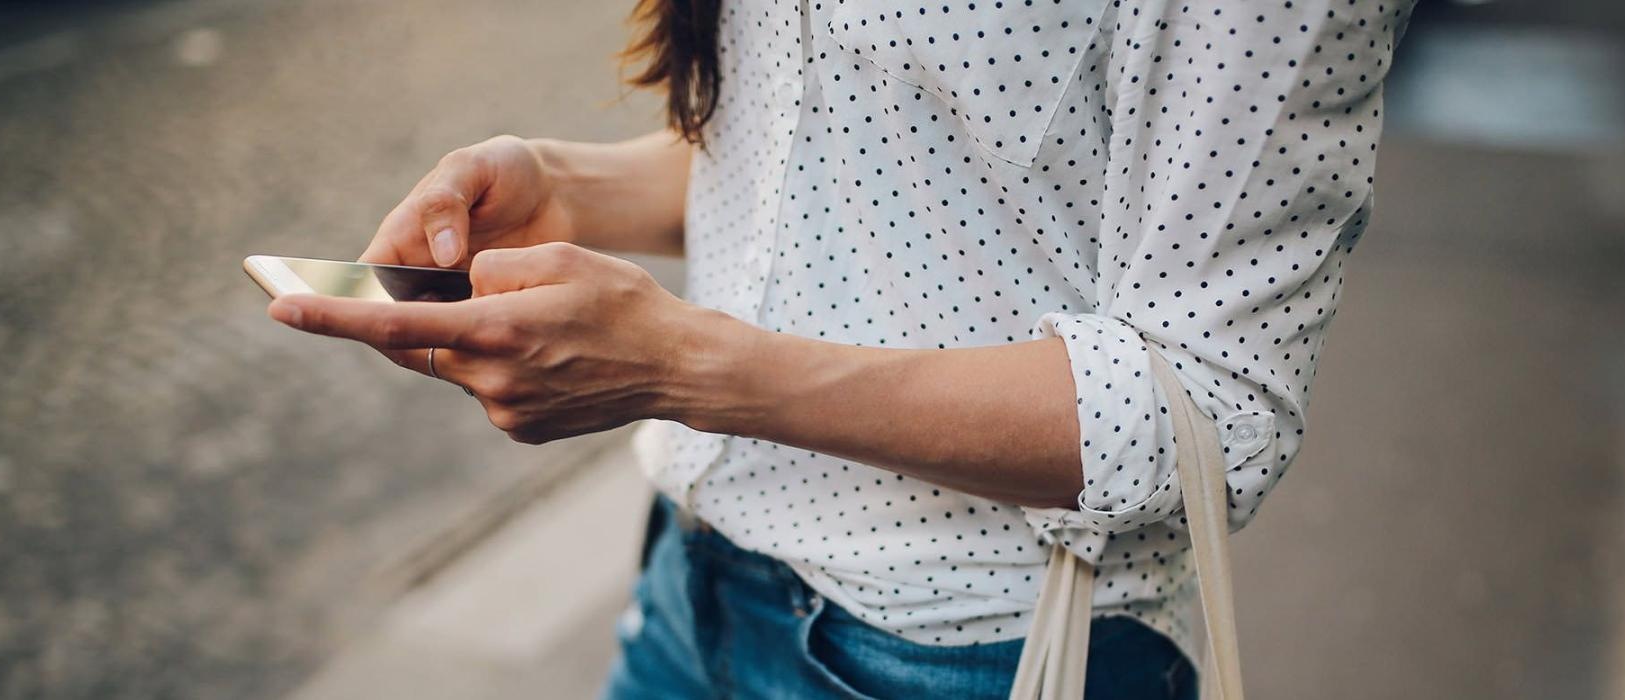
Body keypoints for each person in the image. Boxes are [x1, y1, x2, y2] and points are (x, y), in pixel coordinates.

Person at [267, 0, 1414, 696]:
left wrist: (685, 368)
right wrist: (563, 184)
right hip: (688, 590)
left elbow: (1214, 403)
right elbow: (834, 162)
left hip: (965, 652)